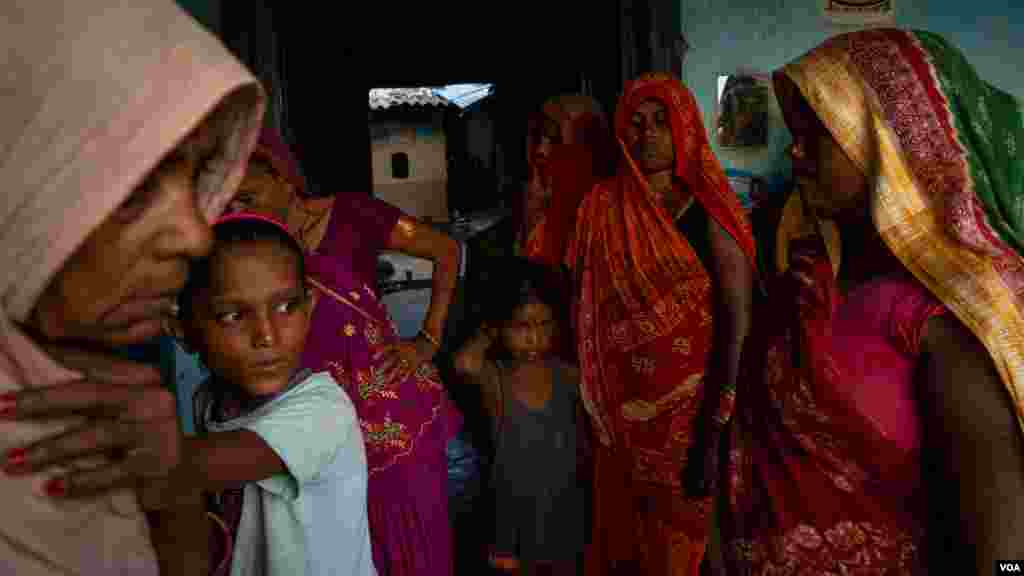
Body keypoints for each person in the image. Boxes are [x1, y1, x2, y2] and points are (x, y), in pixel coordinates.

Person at [722, 28, 1024, 574]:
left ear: (886, 138)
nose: (793, 150)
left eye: (816, 132)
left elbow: (1004, 555)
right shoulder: (811, 287)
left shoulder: (950, 320)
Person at [0, 1, 264, 574]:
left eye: (197, 177)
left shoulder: (100, 400)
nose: (196, 236)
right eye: (132, 190)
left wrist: (171, 497)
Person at [225, 128, 463, 575]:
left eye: (248, 197)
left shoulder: (352, 214)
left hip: (393, 417)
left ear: (285, 181)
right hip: (321, 424)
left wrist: (428, 340)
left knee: (411, 543)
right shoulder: (251, 252)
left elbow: (446, 250)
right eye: (229, 204)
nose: (238, 212)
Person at [566, 73, 757, 575]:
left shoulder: (713, 210)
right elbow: (581, 307)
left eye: (661, 122)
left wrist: (718, 423)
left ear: (685, 129)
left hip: (695, 413)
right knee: (625, 535)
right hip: (617, 413)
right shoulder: (599, 207)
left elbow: (738, 322)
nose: (647, 134)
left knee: (698, 539)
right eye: (635, 122)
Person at [150, 213, 376, 576]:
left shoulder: (323, 410)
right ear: (181, 330)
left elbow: (185, 469)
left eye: (287, 307)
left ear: (311, 307)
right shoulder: (210, 400)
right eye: (233, 316)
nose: (266, 335)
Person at [454, 258, 585, 575]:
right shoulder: (496, 379)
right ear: (501, 327)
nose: (534, 338)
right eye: (522, 327)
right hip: (511, 523)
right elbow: (464, 364)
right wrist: (489, 333)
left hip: (564, 514)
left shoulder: (568, 377)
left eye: (544, 326)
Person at [517, 95, 616, 267]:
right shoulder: (538, 197)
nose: (540, 151)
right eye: (537, 138)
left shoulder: (610, 214)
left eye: (555, 139)